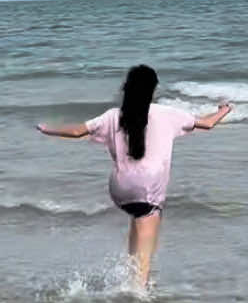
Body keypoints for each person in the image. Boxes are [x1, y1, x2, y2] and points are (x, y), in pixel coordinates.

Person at [37, 65, 231, 289]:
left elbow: (76, 131)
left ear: (127, 88)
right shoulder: (167, 113)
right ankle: (139, 289)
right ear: (153, 89)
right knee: (147, 241)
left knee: (137, 219)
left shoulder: (112, 116)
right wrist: (223, 110)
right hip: (148, 188)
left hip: (120, 189)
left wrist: (46, 128)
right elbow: (207, 123)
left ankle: (129, 273)